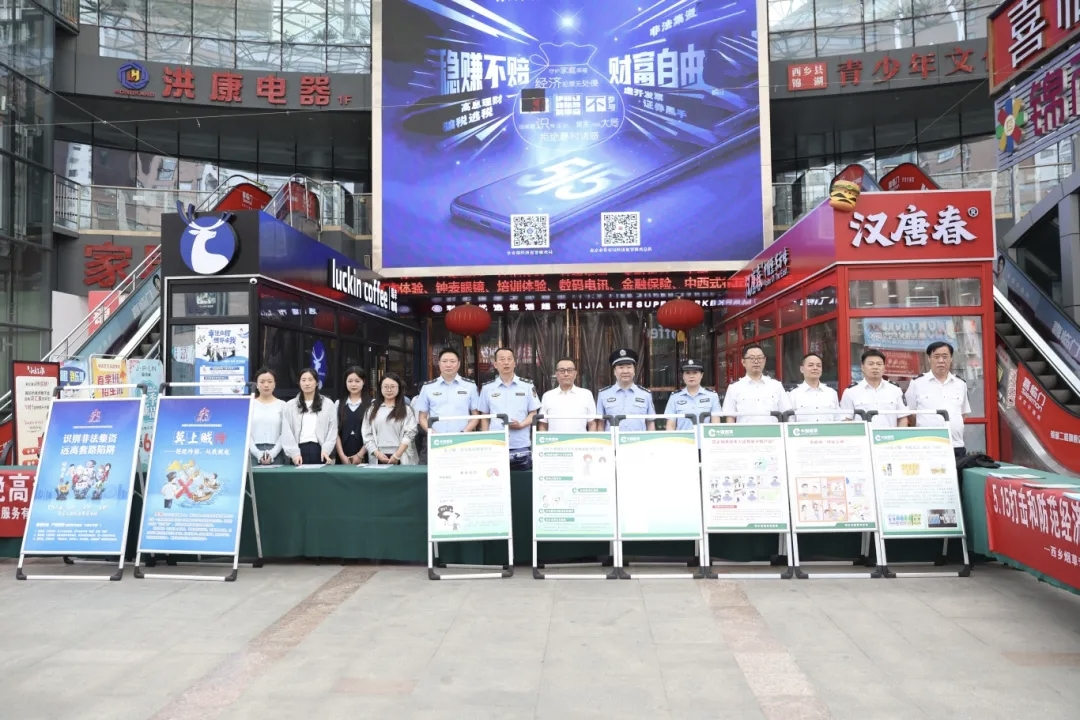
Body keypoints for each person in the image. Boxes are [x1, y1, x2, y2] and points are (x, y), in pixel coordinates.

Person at [905, 341, 972, 458]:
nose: (941, 360)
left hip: (955, 445)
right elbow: (910, 414)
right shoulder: (917, 383)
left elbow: (963, 414)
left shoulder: (961, 384)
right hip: (927, 446)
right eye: (936, 356)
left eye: (945, 356)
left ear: (951, 359)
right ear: (929, 359)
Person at [479, 347, 542, 470]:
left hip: (520, 444)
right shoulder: (487, 388)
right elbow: (484, 417)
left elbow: (533, 413)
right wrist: (486, 440)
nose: (506, 362)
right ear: (495, 364)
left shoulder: (527, 386)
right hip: (496, 443)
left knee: (521, 479)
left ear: (514, 363)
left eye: (509, 359)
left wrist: (521, 424)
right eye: (502, 359)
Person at [413, 347, 479, 434]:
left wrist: (464, 432)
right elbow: (422, 417)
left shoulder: (470, 386)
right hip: (436, 438)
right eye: (444, 361)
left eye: (452, 361)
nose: (448, 365)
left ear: (459, 364)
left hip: (462, 437)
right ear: (439, 363)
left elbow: (476, 416)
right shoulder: (428, 387)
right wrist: (432, 433)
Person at [721, 344, 791, 423]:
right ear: (743, 362)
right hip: (745, 430)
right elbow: (730, 417)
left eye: (759, 358)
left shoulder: (776, 385)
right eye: (751, 358)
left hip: (772, 430)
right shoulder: (734, 388)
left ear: (764, 360)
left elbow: (786, 414)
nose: (756, 361)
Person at [283, 367, 339, 465]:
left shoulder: (328, 404)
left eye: (310, 380)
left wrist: (326, 450)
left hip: (320, 450)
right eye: (303, 380)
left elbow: (332, 430)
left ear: (317, 382)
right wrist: (294, 453)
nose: (307, 383)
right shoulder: (290, 405)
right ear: (299, 382)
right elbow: (286, 431)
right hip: (299, 451)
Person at [840, 349, 909, 427]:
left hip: (889, 434)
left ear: (884, 367)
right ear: (862, 367)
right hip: (863, 435)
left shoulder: (895, 390)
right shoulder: (851, 392)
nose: (875, 367)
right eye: (871, 364)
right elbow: (846, 420)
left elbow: (902, 418)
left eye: (879, 364)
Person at [362, 372, 420, 464]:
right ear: (380, 388)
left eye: (393, 387)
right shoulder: (371, 410)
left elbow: (410, 433)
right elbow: (366, 435)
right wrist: (377, 454)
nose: (389, 390)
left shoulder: (407, 410)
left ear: (399, 388)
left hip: (402, 456)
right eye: (385, 386)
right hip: (378, 457)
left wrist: (397, 455)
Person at [596, 349, 655, 431]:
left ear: (634, 371)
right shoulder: (603, 394)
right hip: (613, 439)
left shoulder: (645, 394)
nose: (625, 371)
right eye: (621, 367)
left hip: (638, 439)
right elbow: (601, 424)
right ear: (614, 371)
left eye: (629, 367)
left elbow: (650, 423)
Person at [248, 367, 294, 466]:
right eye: (262, 382)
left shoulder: (283, 405)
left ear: (274, 384)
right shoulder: (250, 404)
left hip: (277, 453)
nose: (266, 385)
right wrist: (258, 453)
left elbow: (285, 432)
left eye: (270, 382)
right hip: (252, 453)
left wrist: (273, 453)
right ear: (256, 384)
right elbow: (246, 432)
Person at [539, 357, 597, 432]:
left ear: (575, 373)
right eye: (562, 371)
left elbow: (592, 424)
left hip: (580, 439)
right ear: (556, 374)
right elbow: (543, 425)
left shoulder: (586, 395)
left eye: (569, 370)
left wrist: (590, 440)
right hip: (555, 439)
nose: (566, 374)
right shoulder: (547, 396)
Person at [664, 359, 720, 432]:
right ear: (683, 376)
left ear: (702, 375)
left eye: (695, 373)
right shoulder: (675, 397)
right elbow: (670, 426)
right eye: (687, 373)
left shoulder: (712, 396)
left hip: (704, 438)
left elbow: (716, 424)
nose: (691, 376)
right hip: (682, 438)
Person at [788, 352, 841, 421]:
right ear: (802, 369)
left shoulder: (831, 393)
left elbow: (838, 419)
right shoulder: (792, 394)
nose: (815, 368)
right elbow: (790, 422)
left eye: (818, 366)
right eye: (810, 365)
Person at [336, 366, 369, 465]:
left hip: (365, 454)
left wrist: (360, 455)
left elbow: (372, 434)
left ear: (363, 382)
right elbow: (335, 432)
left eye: (357, 381)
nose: (353, 384)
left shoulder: (371, 404)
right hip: (342, 455)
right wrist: (342, 456)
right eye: (350, 381)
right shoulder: (338, 404)